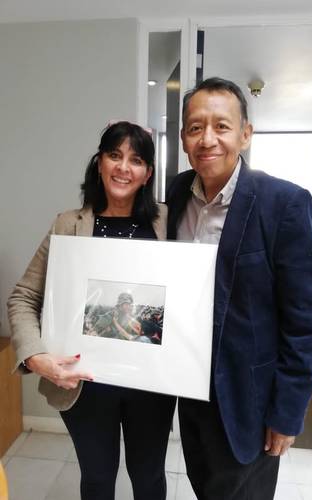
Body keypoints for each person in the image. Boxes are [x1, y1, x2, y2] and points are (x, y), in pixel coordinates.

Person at [166, 77, 312, 500]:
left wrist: (288, 412)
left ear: (245, 134)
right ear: (183, 138)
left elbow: (306, 321)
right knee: (205, 485)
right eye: (196, 127)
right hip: (191, 389)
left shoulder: (285, 203)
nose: (208, 139)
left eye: (222, 125)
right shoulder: (175, 193)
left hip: (251, 399)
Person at [7, 121, 176, 500]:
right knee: (98, 480)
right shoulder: (68, 224)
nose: (123, 167)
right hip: (84, 387)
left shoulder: (167, 221)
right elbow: (23, 297)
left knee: (148, 478)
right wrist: (35, 356)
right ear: (99, 162)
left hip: (150, 386)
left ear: (148, 173)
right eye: (114, 155)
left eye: (136, 159)